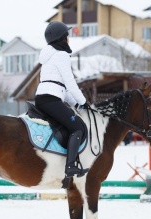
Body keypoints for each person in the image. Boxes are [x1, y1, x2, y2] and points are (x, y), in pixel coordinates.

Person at [35, 21, 89, 178]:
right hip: (51, 99)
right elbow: (70, 83)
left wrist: (77, 103)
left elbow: (61, 88)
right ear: (62, 38)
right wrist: (84, 101)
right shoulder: (61, 55)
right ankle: (70, 166)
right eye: (67, 36)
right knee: (78, 128)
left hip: (44, 98)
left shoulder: (49, 58)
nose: (69, 39)